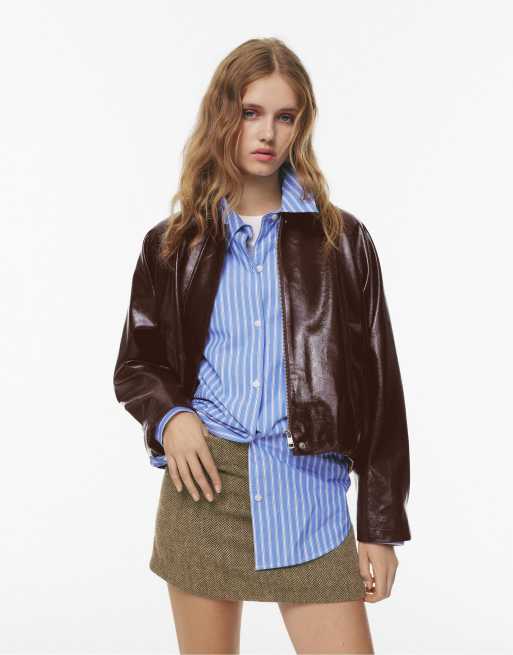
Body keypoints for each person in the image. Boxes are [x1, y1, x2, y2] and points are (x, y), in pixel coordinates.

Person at [113, 37, 411, 655]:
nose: (267, 132)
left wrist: (380, 527)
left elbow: (381, 387)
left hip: (307, 493)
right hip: (205, 485)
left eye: (285, 116)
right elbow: (137, 363)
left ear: (301, 126)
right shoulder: (173, 244)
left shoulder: (341, 242)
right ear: (223, 115)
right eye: (251, 112)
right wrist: (171, 417)